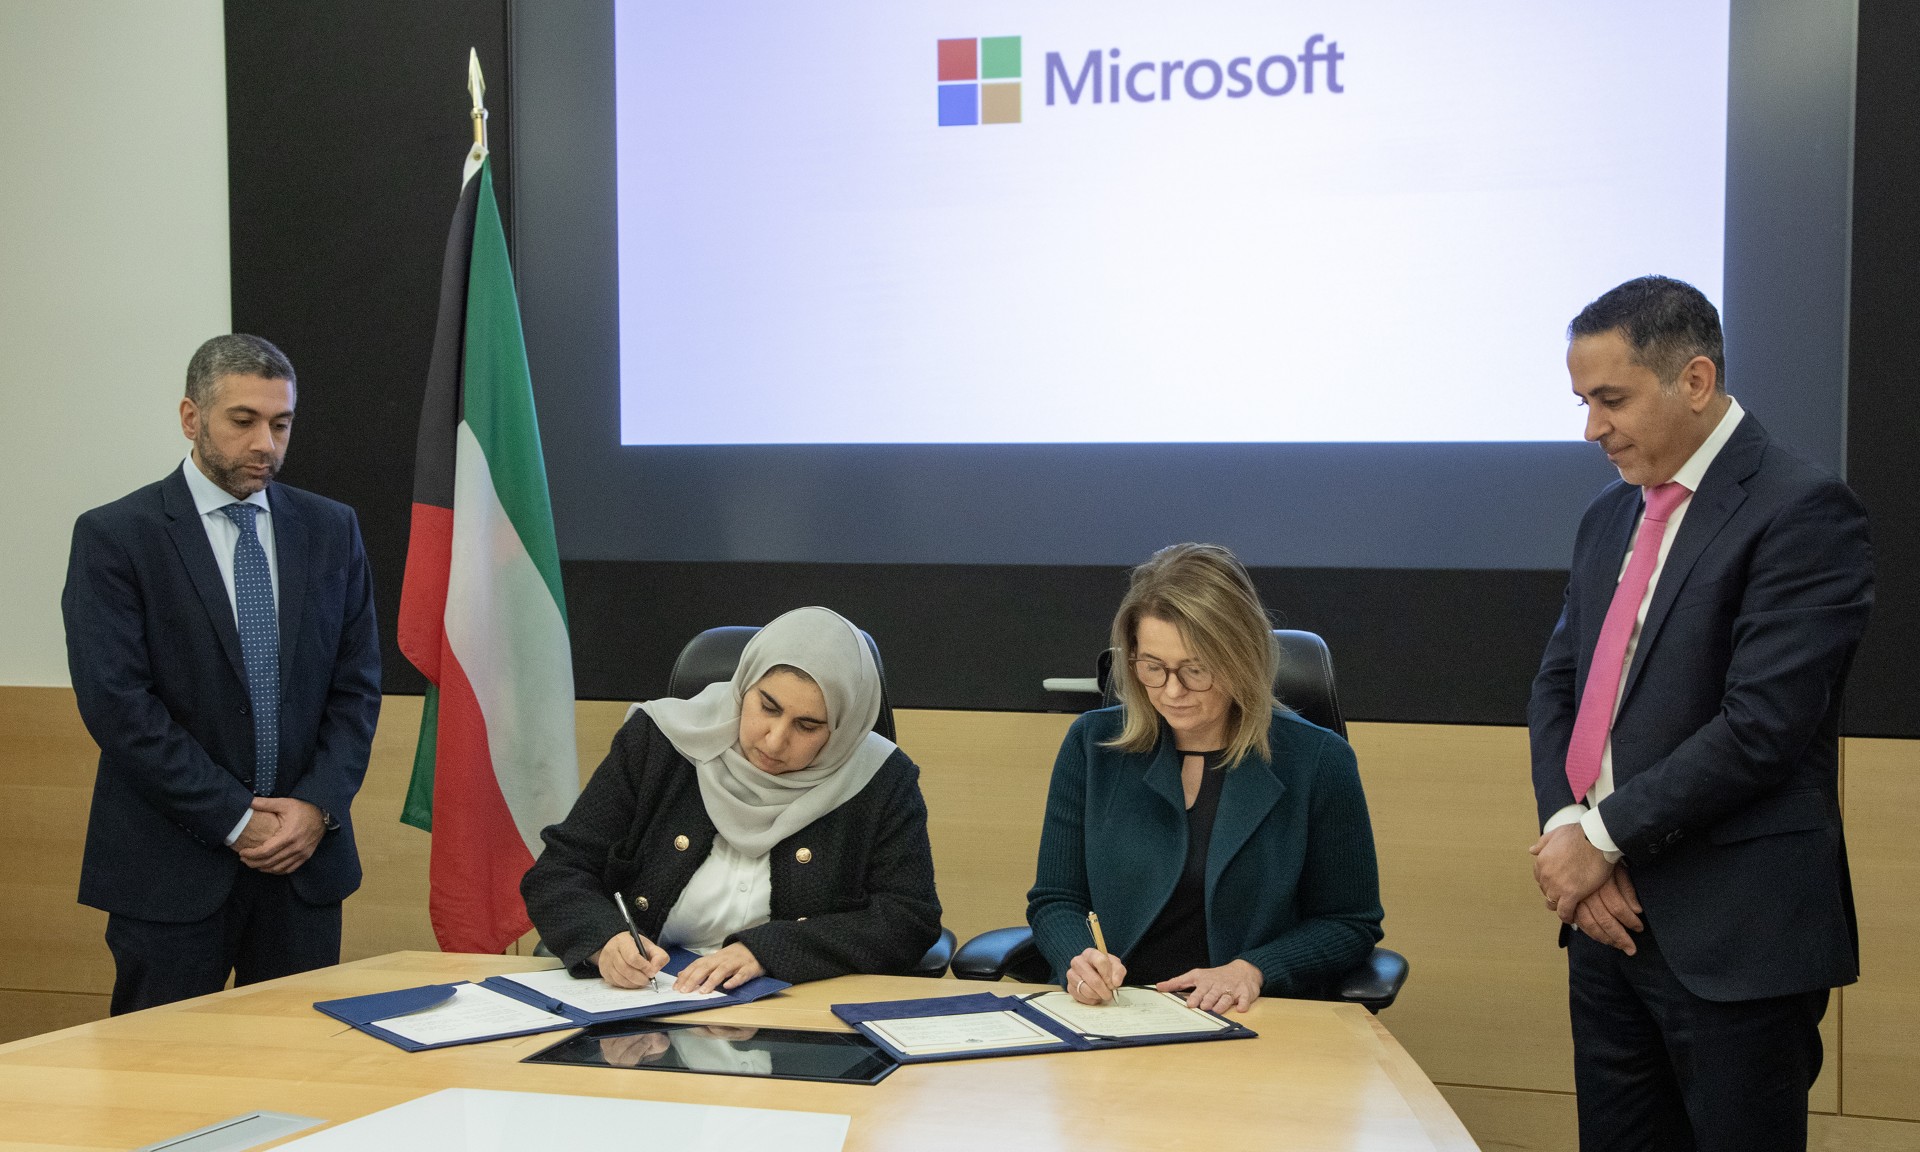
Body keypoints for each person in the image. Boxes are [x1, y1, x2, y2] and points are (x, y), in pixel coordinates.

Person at [1528, 276, 1872, 1152]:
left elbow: (1762, 727)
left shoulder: (1802, 510)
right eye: (1582, 401)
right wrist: (1571, 827)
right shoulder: (1609, 516)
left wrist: (1600, 839)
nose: (1591, 429)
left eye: (1611, 400)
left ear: (1693, 379)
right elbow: (1560, 686)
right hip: (1607, 925)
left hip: (1735, 942)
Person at [62, 334, 381, 1015]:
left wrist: (317, 806)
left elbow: (355, 689)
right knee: (160, 1089)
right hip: (171, 871)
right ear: (191, 418)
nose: (266, 443)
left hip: (303, 866)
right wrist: (236, 820)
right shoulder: (117, 537)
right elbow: (119, 707)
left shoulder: (331, 530)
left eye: (281, 423)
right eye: (244, 421)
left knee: (299, 1080)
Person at [1026, 543, 1383, 1014]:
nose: (1172, 691)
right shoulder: (1092, 745)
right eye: (1152, 667)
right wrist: (1078, 957)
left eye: (1195, 670)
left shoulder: (1319, 761)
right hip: (1112, 1015)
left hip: (1250, 1018)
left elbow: (1349, 922)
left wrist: (1253, 968)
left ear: (1242, 658)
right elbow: (1056, 898)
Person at [522, 606, 941, 992]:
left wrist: (769, 951)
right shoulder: (660, 743)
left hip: (797, 1006)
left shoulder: (881, 778)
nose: (775, 740)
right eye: (768, 707)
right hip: (647, 999)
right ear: (744, 686)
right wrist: (605, 940)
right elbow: (560, 871)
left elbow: (908, 918)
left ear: (843, 729)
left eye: (808, 725)